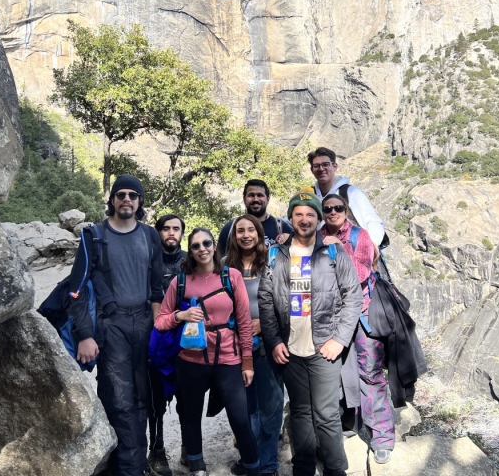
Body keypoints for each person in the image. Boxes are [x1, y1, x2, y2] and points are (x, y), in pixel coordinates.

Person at [258, 191, 362, 476]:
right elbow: (266, 299)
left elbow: (353, 296)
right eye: (298, 214)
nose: (304, 219)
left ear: (318, 219)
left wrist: (339, 340)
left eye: (310, 214)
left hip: (323, 348)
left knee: (327, 414)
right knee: (301, 412)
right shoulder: (277, 254)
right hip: (290, 349)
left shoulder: (332, 252)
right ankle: (302, 468)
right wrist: (275, 341)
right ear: (290, 218)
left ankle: (335, 469)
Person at [69, 174, 164, 476]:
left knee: (144, 396)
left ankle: (134, 464)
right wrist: (85, 334)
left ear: (140, 202)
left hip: (146, 323)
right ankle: (128, 469)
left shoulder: (150, 236)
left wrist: (159, 328)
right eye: (120, 194)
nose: (126, 199)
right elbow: (77, 288)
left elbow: (156, 288)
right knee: (119, 397)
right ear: (111, 200)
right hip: (112, 325)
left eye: (133, 195)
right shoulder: (94, 235)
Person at [155, 228, 259, 476]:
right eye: (195, 246)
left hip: (228, 358)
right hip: (190, 360)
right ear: (189, 251)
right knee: (190, 417)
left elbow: (244, 322)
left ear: (214, 246)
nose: (202, 249)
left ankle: (255, 469)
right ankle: (197, 468)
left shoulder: (230, 276)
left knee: (240, 420)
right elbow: (160, 322)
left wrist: (247, 362)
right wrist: (181, 315)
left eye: (206, 243)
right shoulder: (180, 281)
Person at [320, 194, 394, 465]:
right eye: (327, 209)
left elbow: (362, 275)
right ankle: (344, 425)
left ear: (346, 210)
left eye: (337, 208)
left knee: (371, 375)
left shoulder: (359, 236)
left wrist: (340, 248)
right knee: (332, 374)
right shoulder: (317, 235)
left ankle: (382, 436)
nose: (332, 212)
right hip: (330, 318)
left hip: (362, 315)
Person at [225, 215, 283, 476]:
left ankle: (268, 464)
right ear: (234, 236)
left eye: (251, 230)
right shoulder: (225, 266)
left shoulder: (272, 262)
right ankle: (251, 459)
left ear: (260, 234)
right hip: (235, 345)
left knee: (269, 406)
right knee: (245, 408)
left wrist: (265, 322)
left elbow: (285, 299)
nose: (246, 235)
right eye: (240, 231)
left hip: (267, 343)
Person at [148, 214, 189, 475]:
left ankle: (189, 447)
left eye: (176, 229)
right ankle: (157, 450)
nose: (171, 233)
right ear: (158, 232)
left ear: (182, 234)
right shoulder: (149, 261)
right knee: (156, 401)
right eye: (166, 228)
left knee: (188, 397)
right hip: (156, 340)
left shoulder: (191, 260)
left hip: (187, 340)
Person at [308, 147, 385, 249]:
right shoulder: (310, 196)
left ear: (334, 166)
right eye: (316, 166)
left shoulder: (350, 193)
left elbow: (373, 223)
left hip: (352, 256)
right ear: (312, 170)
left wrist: (369, 249)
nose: (321, 169)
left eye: (325, 164)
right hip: (321, 256)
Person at [218, 179, 293, 255]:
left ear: (268, 199)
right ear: (244, 199)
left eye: (260, 195)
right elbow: (219, 261)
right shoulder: (230, 228)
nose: (255, 199)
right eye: (251, 195)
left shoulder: (282, 228)